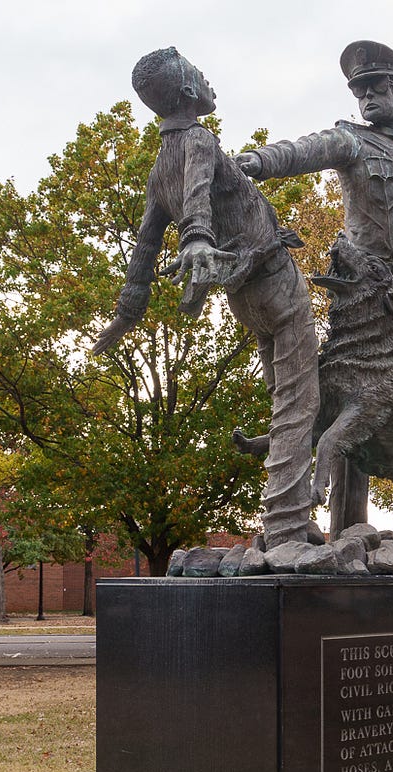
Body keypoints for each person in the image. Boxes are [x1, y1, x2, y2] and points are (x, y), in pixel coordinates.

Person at [237, 40, 393, 540]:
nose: (366, 97)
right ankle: (348, 534)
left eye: (376, 87)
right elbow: (304, 150)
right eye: (359, 90)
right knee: (349, 403)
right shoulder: (351, 141)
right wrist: (256, 162)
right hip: (361, 300)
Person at [94, 46, 320, 548]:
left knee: (283, 396)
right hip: (275, 281)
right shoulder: (198, 139)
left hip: (246, 298)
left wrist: (127, 314)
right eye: (201, 73)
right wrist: (197, 236)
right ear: (192, 93)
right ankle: (286, 525)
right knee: (302, 399)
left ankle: (292, 513)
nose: (208, 79)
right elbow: (196, 198)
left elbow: (144, 249)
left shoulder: (158, 169)